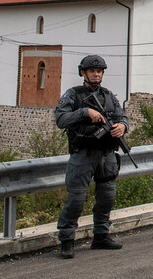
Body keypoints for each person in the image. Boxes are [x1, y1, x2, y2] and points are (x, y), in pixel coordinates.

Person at [54, 54, 130, 259]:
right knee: (76, 199)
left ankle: (101, 236)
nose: (96, 74)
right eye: (92, 71)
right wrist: (84, 112)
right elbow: (60, 119)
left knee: (107, 198)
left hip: (106, 155)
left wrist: (122, 127)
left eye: (99, 71)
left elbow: (123, 116)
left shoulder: (108, 95)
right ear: (83, 73)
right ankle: (67, 240)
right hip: (83, 155)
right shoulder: (73, 95)